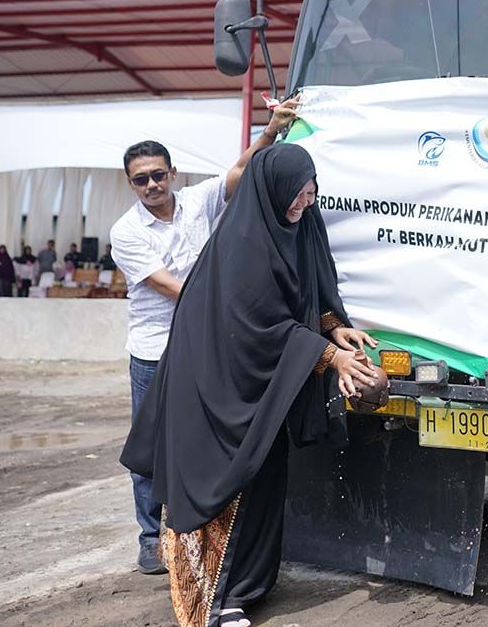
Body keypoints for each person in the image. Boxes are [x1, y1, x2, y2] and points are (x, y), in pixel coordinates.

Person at [122, 144, 379, 627]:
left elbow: (305, 291)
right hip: (214, 387)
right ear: (271, 190)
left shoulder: (299, 225)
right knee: (221, 483)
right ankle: (213, 601)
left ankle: (246, 589)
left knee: (263, 477)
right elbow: (261, 325)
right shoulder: (241, 246)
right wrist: (331, 357)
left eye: (311, 192)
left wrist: (330, 324)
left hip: (259, 390)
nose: (304, 203)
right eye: (296, 195)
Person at [111, 96, 300, 576]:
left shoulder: (198, 200)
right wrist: (232, 309)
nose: (152, 185)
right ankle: (151, 537)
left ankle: (196, 532)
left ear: (173, 173)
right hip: (155, 353)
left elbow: (242, 172)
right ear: (129, 183)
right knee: (150, 446)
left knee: (201, 442)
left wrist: (273, 130)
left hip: (205, 349)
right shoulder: (126, 232)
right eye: (141, 179)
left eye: (158, 174)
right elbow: (170, 287)